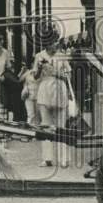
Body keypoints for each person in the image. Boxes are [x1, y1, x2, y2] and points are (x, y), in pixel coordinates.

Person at [32, 37, 72, 167]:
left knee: (61, 125)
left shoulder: (62, 56)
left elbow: (69, 75)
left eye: (56, 43)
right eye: (53, 43)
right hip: (45, 89)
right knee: (46, 125)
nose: (55, 45)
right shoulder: (39, 56)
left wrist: (57, 73)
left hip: (60, 89)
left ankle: (63, 158)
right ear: (47, 43)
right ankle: (47, 158)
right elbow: (35, 76)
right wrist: (39, 68)